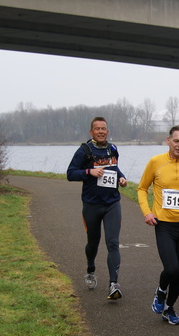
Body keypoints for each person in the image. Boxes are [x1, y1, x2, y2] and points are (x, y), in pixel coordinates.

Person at [137, 125, 179, 325]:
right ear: (168, 141)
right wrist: (147, 212)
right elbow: (142, 188)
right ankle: (160, 292)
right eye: (176, 141)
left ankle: (170, 308)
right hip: (164, 224)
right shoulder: (156, 162)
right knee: (171, 269)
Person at [67, 116, 128, 301]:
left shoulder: (113, 149)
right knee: (93, 242)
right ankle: (91, 268)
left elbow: (115, 169)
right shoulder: (84, 151)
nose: (101, 131)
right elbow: (70, 174)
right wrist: (89, 172)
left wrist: (122, 178)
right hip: (92, 205)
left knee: (113, 243)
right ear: (91, 132)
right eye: (97, 129)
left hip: (112, 204)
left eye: (104, 128)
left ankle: (113, 284)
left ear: (107, 132)